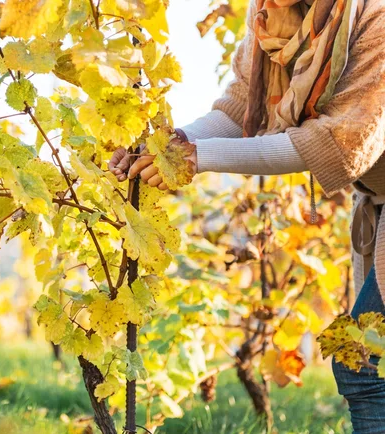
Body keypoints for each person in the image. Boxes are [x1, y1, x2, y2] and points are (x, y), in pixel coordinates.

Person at [109, 0, 385, 432]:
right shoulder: (269, 21)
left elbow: (336, 144)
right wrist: (172, 143)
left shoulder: (375, 20)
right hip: (379, 201)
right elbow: (238, 109)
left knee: (366, 365)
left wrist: (198, 158)